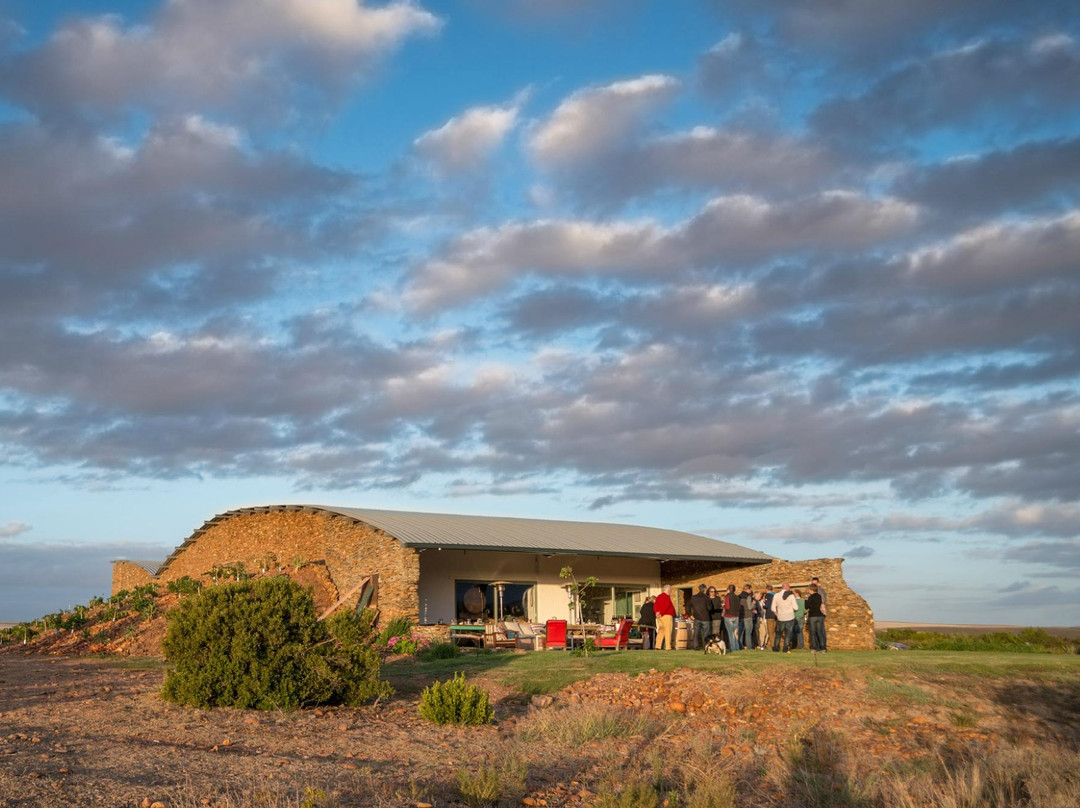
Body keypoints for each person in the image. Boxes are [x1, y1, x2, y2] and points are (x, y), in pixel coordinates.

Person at [772, 582, 797, 653]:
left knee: (779, 633)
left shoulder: (776, 595)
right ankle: (785, 648)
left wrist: (777, 614)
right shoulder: (791, 596)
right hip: (790, 616)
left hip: (780, 617)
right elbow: (796, 607)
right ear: (787, 587)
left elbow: (773, 608)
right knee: (788, 633)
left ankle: (776, 647)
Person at [654, 585, 676, 650]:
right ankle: (668, 647)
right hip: (666, 616)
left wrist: (657, 613)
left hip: (659, 617)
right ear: (668, 590)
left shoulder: (659, 596)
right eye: (670, 591)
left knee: (661, 630)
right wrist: (661, 613)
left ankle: (657, 646)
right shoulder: (666, 597)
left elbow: (655, 605)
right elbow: (666, 606)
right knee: (668, 631)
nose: (670, 592)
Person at [689, 584, 711, 650]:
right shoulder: (706, 598)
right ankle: (705, 646)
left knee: (696, 633)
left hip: (697, 617)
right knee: (706, 634)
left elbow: (688, 606)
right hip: (705, 618)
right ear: (704, 589)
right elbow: (709, 608)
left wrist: (690, 614)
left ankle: (696, 647)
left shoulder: (693, 597)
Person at [806, 584, 827, 652]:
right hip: (820, 616)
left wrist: (806, 600)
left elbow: (806, 606)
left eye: (809, 589)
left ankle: (814, 647)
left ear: (811, 590)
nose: (808, 591)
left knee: (812, 632)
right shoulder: (819, 596)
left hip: (813, 616)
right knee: (820, 632)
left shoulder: (810, 597)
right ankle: (823, 648)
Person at [810, 576, 828, 651]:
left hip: (819, 613)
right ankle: (818, 646)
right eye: (813, 583)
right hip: (817, 613)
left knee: (820, 631)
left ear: (818, 583)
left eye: (815, 583)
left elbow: (823, 601)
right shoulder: (811, 593)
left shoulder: (821, 591)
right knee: (816, 631)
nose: (814, 585)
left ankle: (822, 646)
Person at [722, 584, 741, 651]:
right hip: (736, 616)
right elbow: (739, 607)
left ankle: (733, 648)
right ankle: (737, 647)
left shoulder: (727, 596)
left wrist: (723, 606)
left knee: (731, 633)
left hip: (729, 616)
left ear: (728, 589)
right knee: (735, 633)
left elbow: (727, 607)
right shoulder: (737, 597)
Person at [738, 584, 755, 651]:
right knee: (748, 633)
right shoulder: (748, 596)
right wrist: (753, 603)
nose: (751, 590)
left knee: (741, 633)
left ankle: (740, 646)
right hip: (748, 616)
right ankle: (749, 647)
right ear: (747, 589)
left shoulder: (739, 596)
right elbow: (750, 607)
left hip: (741, 616)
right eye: (750, 589)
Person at [763, 586, 777, 651]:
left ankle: (773, 645)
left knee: (770, 631)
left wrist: (763, 603)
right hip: (776, 614)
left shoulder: (767, 595)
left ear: (766, 589)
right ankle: (775, 644)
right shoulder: (776, 595)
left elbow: (767, 605)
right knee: (774, 631)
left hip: (770, 614)